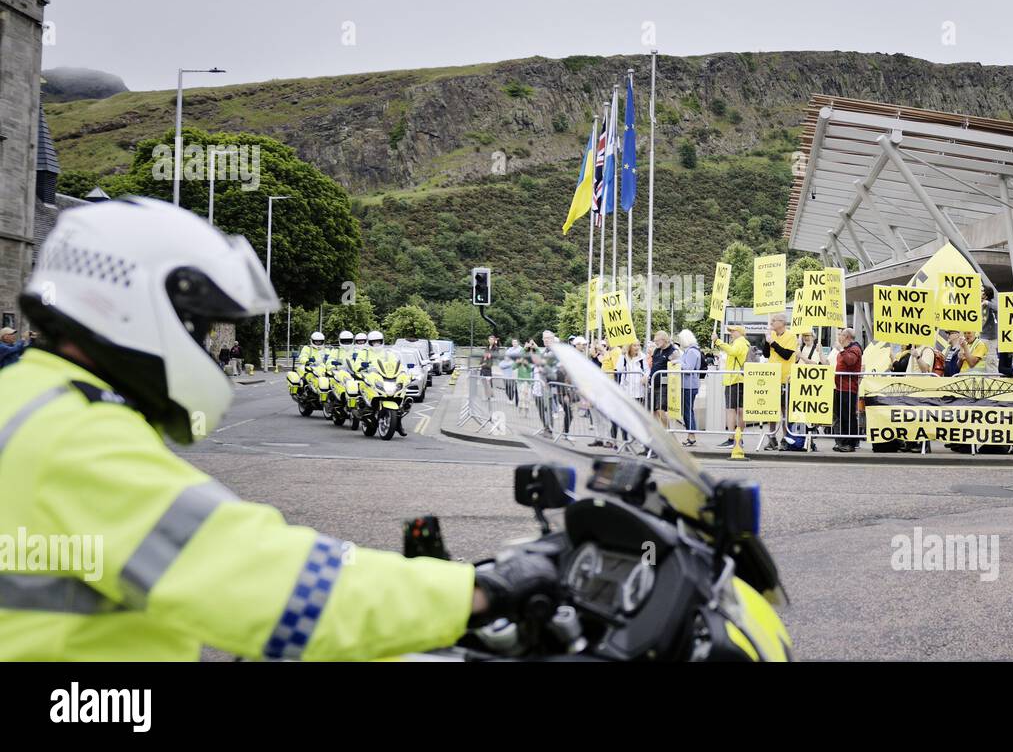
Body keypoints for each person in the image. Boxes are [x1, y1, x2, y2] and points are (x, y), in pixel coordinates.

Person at [0, 198, 555, 661]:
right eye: (200, 326)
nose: (205, 344)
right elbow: (262, 581)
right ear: (134, 308)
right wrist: (476, 591)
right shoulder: (73, 437)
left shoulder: (30, 401)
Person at [761, 315, 797, 450]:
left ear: (781, 323)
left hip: (785, 378)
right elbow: (766, 354)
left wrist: (773, 343)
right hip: (772, 378)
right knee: (771, 409)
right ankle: (772, 438)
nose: (770, 323)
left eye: (773, 321)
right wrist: (767, 340)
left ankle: (785, 438)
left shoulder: (791, 336)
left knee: (784, 410)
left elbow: (786, 354)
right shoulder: (772, 335)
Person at [712, 326, 750, 447]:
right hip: (739, 379)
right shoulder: (744, 343)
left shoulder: (740, 342)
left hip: (734, 379)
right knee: (739, 410)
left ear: (740, 332)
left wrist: (718, 341)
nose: (731, 333)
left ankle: (732, 438)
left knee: (732, 410)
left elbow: (733, 352)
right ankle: (738, 438)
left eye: (733, 331)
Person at [832, 328, 862, 452]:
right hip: (841, 387)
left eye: (842, 335)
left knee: (848, 416)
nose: (840, 337)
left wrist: (841, 350)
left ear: (848, 337)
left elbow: (850, 361)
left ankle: (850, 442)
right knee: (841, 415)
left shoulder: (855, 349)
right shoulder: (846, 350)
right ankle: (843, 441)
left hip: (848, 388)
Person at [615, 341, 647, 442]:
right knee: (625, 417)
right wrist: (622, 355)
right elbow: (619, 369)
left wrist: (646, 376)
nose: (637, 347)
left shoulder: (642, 357)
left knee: (637, 417)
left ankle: (635, 437)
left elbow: (647, 370)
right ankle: (625, 439)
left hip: (639, 392)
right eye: (634, 345)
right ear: (629, 347)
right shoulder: (624, 357)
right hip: (626, 392)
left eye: (638, 345)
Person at [677, 329, 703, 446]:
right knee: (687, 410)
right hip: (689, 385)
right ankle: (690, 434)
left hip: (689, 385)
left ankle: (691, 435)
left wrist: (678, 362)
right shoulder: (692, 350)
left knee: (688, 410)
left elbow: (688, 368)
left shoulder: (691, 352)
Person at [648, 331, 676, 427]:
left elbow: (677, 365)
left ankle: (669, 432)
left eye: (657, 341)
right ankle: (659, 433)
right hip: (653, 383)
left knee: (660, 409)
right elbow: (653, 365)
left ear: (664, 339)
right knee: (652, 410)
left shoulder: (672, 351)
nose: (655, 342)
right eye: (654, 341)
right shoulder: (656, 350)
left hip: (663, 385)